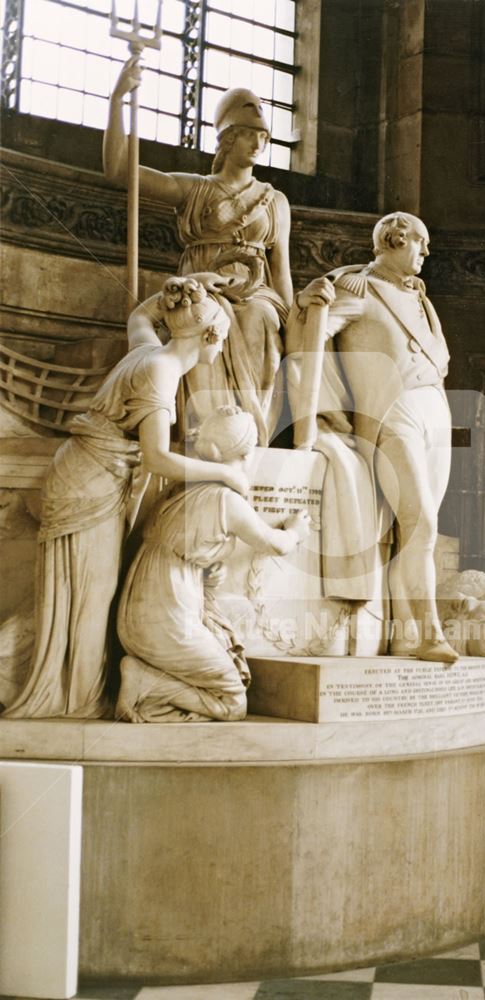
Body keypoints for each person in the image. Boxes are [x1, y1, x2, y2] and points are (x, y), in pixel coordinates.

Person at [3, 277, 247, 720]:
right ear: (211, 336)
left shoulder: (147, 350)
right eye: (223, 340)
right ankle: (74, 703)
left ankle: (53, 686)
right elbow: (156, 457)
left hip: (84, 472)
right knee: (91, 597)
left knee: (74, 592)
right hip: (91, 483)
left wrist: (190, 291)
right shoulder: (162, 371)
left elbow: (140, 315)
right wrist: (225, 471)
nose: (221, 352)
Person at [288, 212, 459, 663]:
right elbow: (309, 337)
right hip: (389, 410)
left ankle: (404, 634)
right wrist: (306, 305)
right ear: (394, 239)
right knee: (420, 519)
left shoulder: (421, 299)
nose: (425, 252)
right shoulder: (355, 288)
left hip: (433, 409)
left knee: (418, 529)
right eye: (420, 243)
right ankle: (428, 632)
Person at [103, 60, 293, 444]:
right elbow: (121, 169)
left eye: (264, 136)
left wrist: (294, 323)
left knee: (259, 317)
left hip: (257, 291)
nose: (258, 144)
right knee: (209, 316)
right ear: (227, 138)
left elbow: (281, 267)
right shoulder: (195, 189)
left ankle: (248, 434)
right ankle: (209, 430)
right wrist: (118, 101)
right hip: (201, 286)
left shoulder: (275, 201)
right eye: (248, 134)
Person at [116, 406, 311, 723]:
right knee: (233, 702)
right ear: (248, 455)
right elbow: (274, 543)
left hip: (142, 607)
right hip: (165, 615)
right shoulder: (226, 500)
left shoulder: (181, 487)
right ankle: (145, 682)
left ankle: (147, 678)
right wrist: (294, 531)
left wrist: (206, 580)